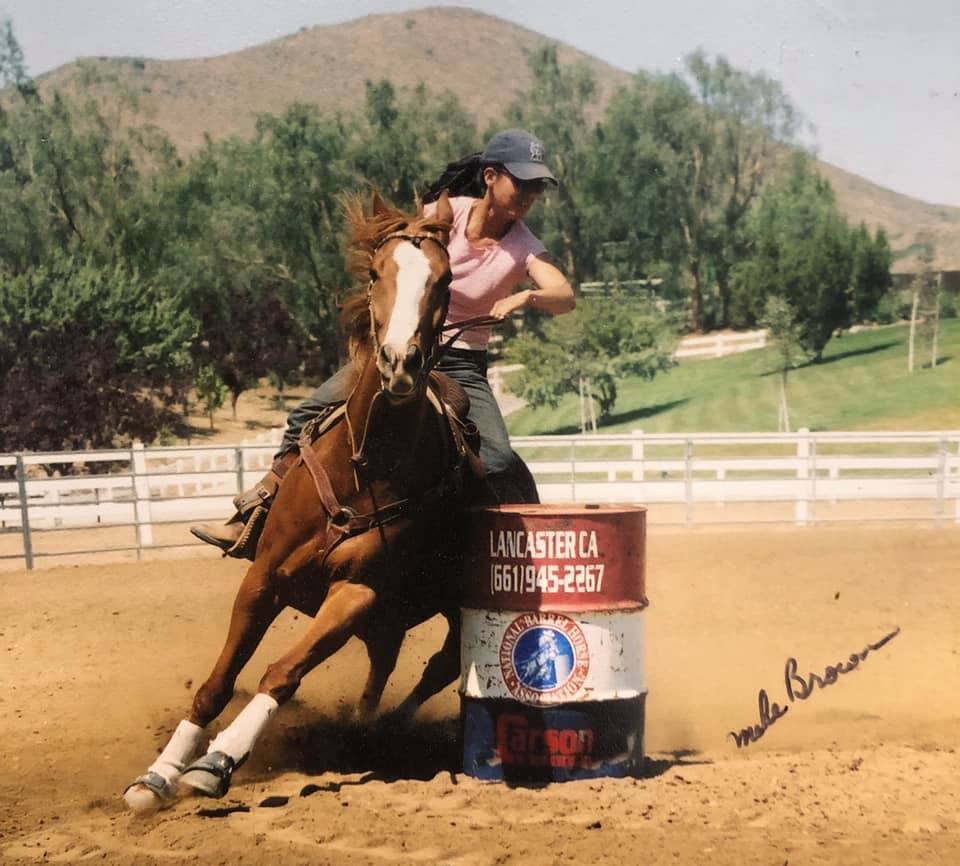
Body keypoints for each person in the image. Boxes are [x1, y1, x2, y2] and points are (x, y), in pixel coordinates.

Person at [192, 128, 575, 556]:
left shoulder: (524, 245)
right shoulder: (444, 214)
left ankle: (469, 552)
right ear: (490, 177)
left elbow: (565, 295)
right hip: (402, 349)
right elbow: (398, 256)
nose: (528, 194)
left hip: (463, 364)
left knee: (499, 459)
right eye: (520, 182)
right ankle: (256, 514)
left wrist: (526, 294)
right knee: (306, 413)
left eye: (536, 187)